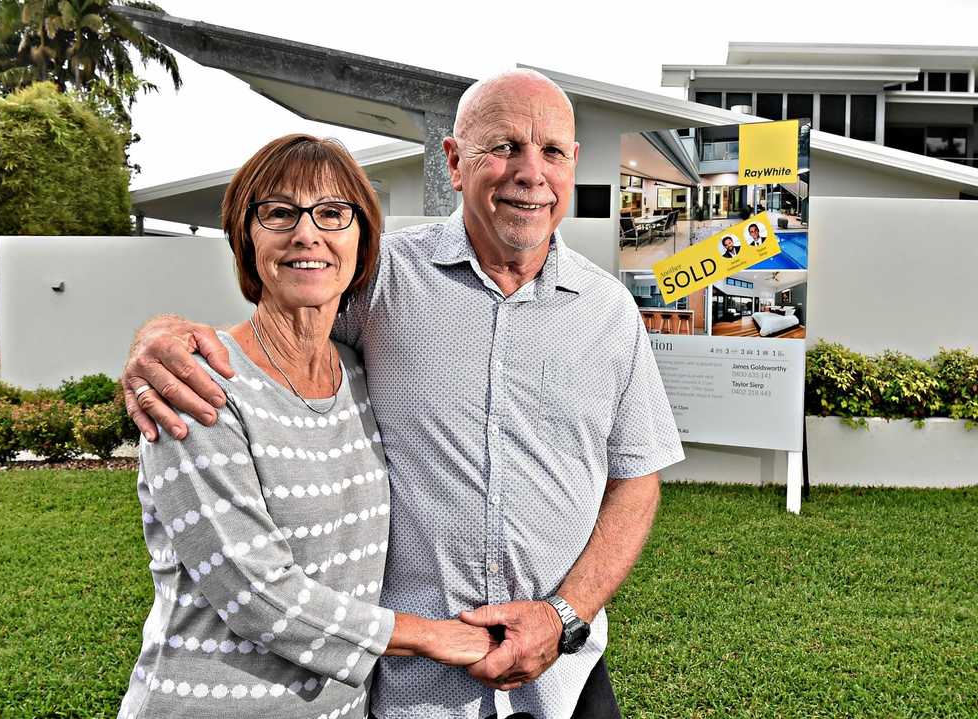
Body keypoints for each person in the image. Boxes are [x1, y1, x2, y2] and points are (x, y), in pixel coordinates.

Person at [122, 69, 684, 719]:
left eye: (552, 150)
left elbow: (636, 479)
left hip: (564, 677)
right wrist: (158, 335)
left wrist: (564, 616)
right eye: (503, 146)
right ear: (453, 160)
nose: (531, 172)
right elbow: (282, 327)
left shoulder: (610, 312)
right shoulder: (376, 278)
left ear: (573, 164)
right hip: (415, 690)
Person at [116, 135, 494, 719]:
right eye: (279, 212)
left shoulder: (363, 377)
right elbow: (257, 596)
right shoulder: (195, 385)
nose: (306, 233)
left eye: (333, 212)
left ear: (363, 239)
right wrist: (433, 637)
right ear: (247, 238)